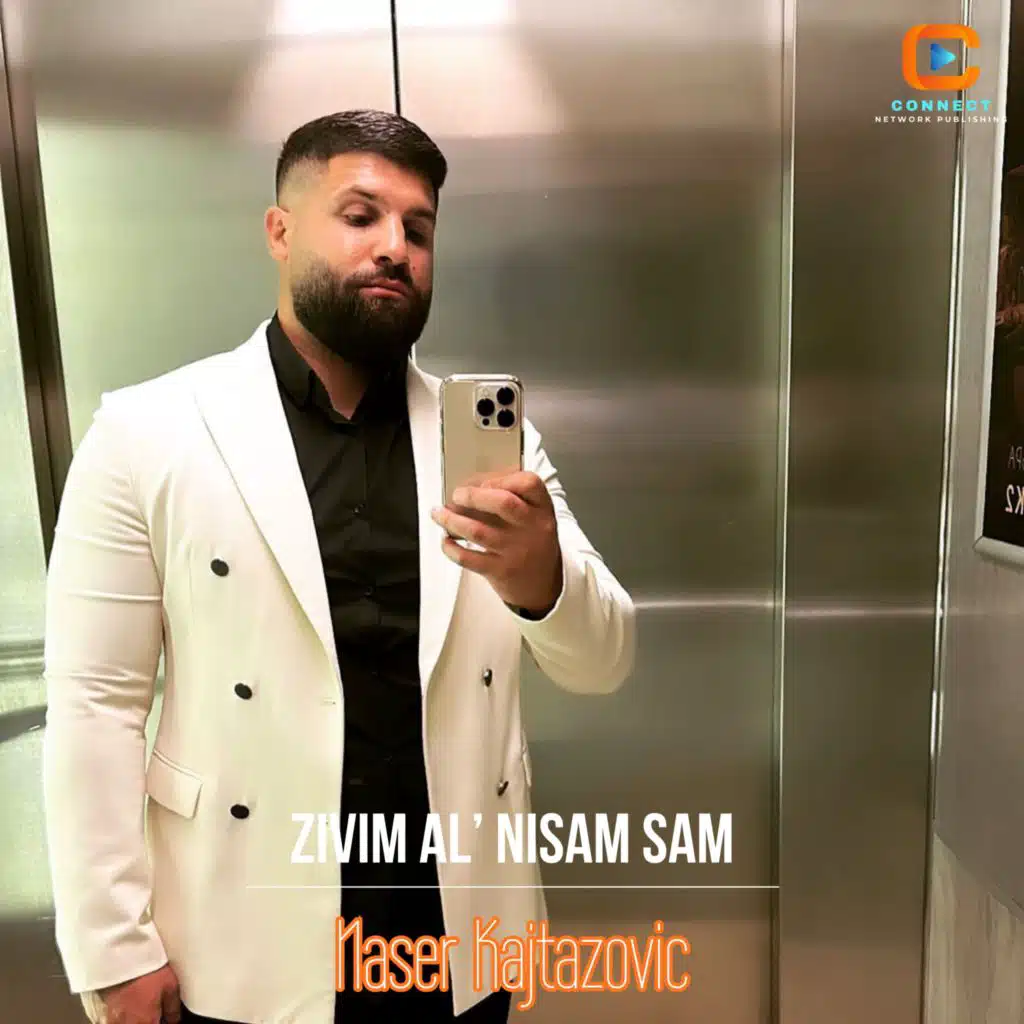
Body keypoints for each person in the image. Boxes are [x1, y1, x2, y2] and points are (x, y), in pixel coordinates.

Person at [41, 109, 636, 1024]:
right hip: (244, 931)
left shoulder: (497, 447)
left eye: (418, 229)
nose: (395, 247)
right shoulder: (149, 432)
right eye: (360, 216)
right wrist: (113, 948)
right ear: (280, 232)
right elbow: (95, 703)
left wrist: (539, 579)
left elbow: (604, 662)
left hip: (454, 929)